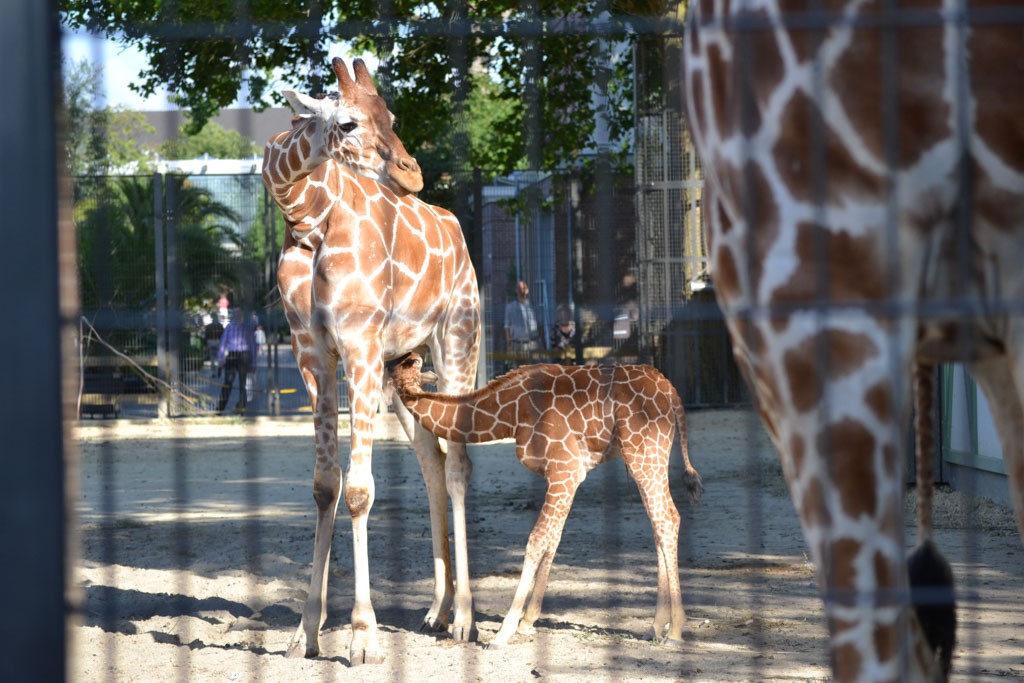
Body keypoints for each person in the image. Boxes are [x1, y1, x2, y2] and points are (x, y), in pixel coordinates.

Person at [217, 307, 257, 415]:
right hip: (232, 355)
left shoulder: (248, 328)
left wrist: (254, 363)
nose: (238, 315)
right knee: (228, 382)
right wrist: (221, 358)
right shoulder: (230, 327)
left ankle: (241, 409)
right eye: (236, 313)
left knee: (243, 384)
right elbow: (223, 343)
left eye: (240, 313)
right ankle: (220, 408)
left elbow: (253, 345)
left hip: (244, 355)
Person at [504, 280, 541, 367]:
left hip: (532, 342)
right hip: (517, 343)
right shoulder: (510, 307)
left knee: (533, 369)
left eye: (523, 288)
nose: (521, 290)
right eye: (519, 288)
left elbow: (539, 325)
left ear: (527, 290)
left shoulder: (533, 306)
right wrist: (509, 345)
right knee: (519, 370)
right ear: (516, 290)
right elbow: (507, 327)